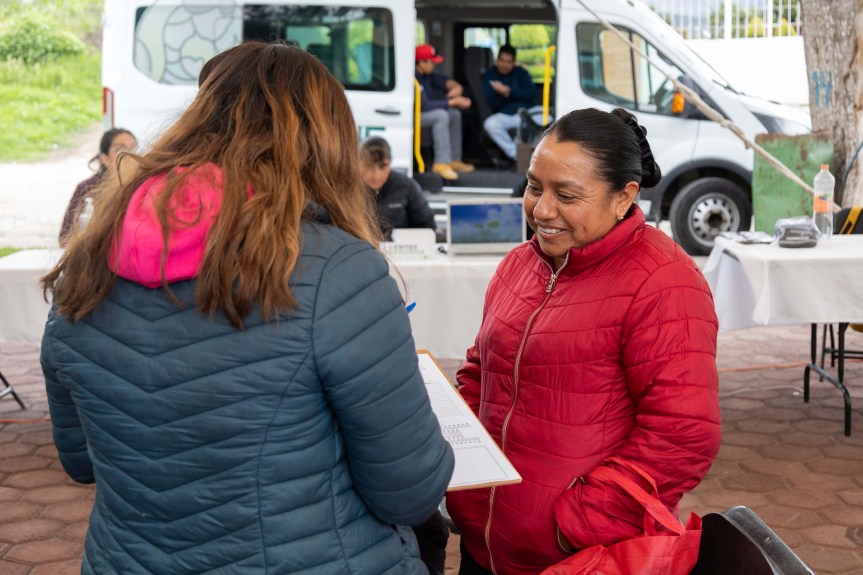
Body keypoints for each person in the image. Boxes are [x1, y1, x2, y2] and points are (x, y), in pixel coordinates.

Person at [40, 41, 454, 575]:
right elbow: (410, 492)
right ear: (323, 141)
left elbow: (80, 460)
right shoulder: (337, 271)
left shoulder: (88, 262)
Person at [446, 107, 722, 575]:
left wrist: (577, 524)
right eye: (534, 187)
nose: (543, 210)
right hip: (485, 543)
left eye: (567, 195)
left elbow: (683, 433)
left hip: (579, 556)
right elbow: (482, 371)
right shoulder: (519, 265)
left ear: (623, 197)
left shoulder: (663, 280)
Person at [59, 128, 136, 245]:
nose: (129, 155)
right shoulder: (88, 188)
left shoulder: (142, 187)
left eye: (134, 149)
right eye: (120, 149)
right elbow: (65, 238)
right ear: (105, 159)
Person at [415, 43, 475, 180]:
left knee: (454, 114)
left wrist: (455, 87)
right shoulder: (414, 78)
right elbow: (424, 106)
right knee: (441, 115)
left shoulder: (428, 75)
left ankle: (454, 160)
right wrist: (452, 102)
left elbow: (444, 81)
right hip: (413, 116)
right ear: (421, 63)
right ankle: (441, 163)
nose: (434, 65)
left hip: (425, 113)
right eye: (431, 62)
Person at [360, 136, 436, 239]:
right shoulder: (348, 188)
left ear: (390, 162)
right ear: (358, 163)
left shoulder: (406, 186)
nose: (376, 175)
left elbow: (428, 228)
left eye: (383, 166)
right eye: (369, 166)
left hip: (401, 251)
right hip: (359, 251)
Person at [481, 45, 544, 164]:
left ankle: (538, 153)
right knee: (490, 124)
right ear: (497, 60)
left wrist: (509, 91)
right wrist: (500, 93)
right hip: (507, 115)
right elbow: (491, 103)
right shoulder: (489, 76)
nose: (505, 65)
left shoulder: (521, 73)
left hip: (528, 112)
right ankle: (517, 155)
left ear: (514, 62)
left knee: (550, 116)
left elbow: (532, 94)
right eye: (502, 61)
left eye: (509, 62)